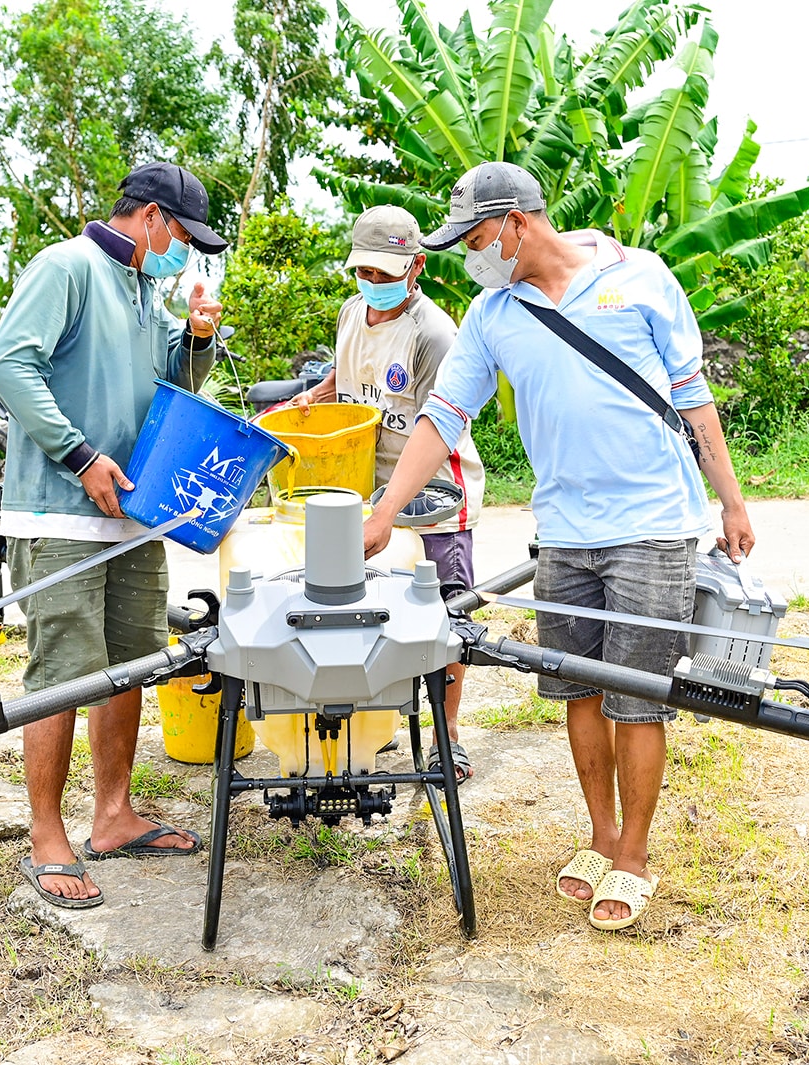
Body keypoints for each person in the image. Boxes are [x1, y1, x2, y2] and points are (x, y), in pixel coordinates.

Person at [362, 162, 756, 932]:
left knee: (637, 701)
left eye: (477, 238)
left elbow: (692, 396)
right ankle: (601, 834)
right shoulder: (490, 313)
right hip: (564, 536)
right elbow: (443, 417)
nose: (474, 256)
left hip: (652, 527)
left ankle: (635, 854)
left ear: (517, 223)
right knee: (574, 691)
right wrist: (385, 511)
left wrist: (732, 501)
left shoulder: (639, 278)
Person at [0, 162, 229, 911]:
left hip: (129, 513)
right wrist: (81, 454)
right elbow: (8, 366)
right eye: (183, 237)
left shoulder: (144, 290)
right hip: (59, 509)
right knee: (63, 672)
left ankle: (114, 814)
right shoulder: (68, 268)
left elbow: (171, 391)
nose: (185, 254)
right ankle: (46, 835)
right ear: (151, 218)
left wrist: (195, 338)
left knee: (130, 664)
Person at [290, 205, 485, 781]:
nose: (372, 284)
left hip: (432, 498)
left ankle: (447, 730)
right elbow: (349, 375)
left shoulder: (434, 334)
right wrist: (319, 394)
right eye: (364, 272)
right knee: (366, 611)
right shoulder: (353, 312)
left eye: (385, 273)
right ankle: (372, 719)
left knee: (446, 616)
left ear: (416, 266)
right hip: (364, 491)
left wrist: (389, 510)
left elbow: (439, 425)